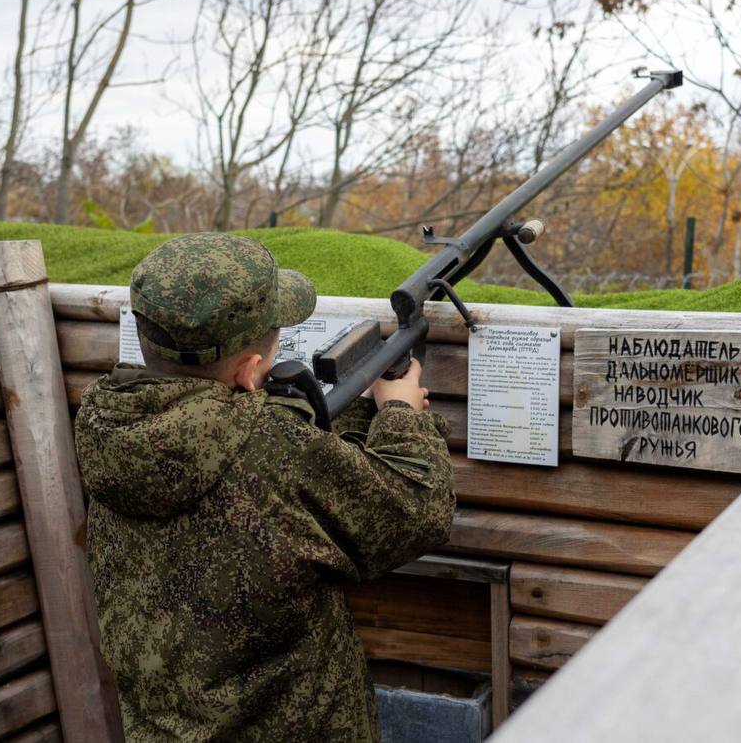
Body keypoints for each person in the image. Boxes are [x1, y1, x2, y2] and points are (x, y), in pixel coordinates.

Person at [74, 232, 455, 742]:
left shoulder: (108, 421)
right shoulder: (271, 448)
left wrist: (348, 414)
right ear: (251, 372)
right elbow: (417, 510)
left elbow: (248, 454)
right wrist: (401, 412)